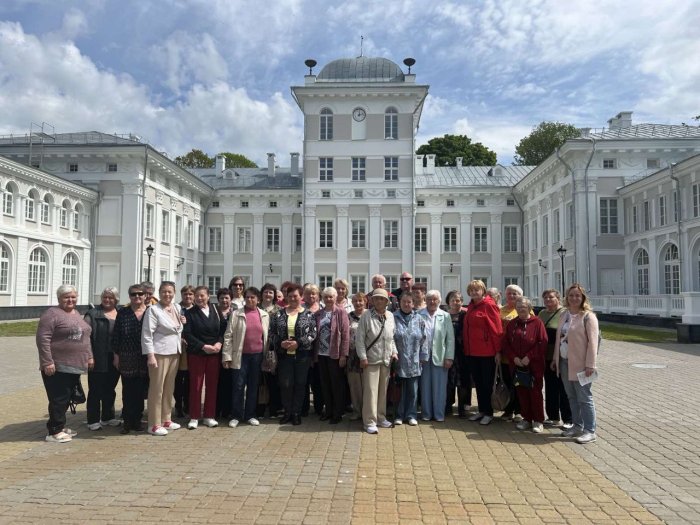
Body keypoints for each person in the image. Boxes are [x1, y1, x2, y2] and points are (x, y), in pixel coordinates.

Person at [36, 285, 94, 443]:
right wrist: (47, 361)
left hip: (74, 365)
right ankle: (54, 431)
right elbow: (43, 339)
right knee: (59, 398)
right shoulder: (52, 314)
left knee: (68, 397)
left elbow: (85, 337)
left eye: (73, 297)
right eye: (66, 297)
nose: (70, 300)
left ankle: (60, 426)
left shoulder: (75, 313)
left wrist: (89, 356)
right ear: (59, 298)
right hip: (57, 365)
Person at [553, 284, 599, 444]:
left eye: (577, 296)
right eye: (571, 295)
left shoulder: (588, 316)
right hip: (565, 362)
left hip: (581, 364)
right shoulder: (564, 314)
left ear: (583, 298)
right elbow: (559, 339)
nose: (574, 298)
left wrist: (590, 364)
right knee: (571, 396)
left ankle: (590, 430)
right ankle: (577, 426)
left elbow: (593, 343)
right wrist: (555, 359)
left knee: (584, 397)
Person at [222, 286, 270, 427]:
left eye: (252, 297)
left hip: (258, 356)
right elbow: (228, 336)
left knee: (253, 386)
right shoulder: (236, 314)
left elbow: (266, 336)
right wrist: (226, 356)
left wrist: (266, 357)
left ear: (258, 299)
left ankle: (250, 415)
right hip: (240, 355)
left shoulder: (264, 315)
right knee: (238, 385)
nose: (249, 299)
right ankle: (236, 415)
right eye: (247, 297)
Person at [270, 284, 317, 425]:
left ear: (301, 297)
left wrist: (298, 343)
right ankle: (287, 412)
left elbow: (313, 333)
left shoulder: (308, 314)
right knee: (285, 384)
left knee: (300, 384)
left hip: (302, 356)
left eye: (295, 296)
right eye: (289, 296)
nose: (292, 298)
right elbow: (271, 333)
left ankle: (296, 413)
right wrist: (280, 342)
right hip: (284, 356)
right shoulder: (278, 314)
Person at [141, 281, 184, 436]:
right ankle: (154, 423)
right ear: (159, 293)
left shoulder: (177, 308)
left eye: (170, 292)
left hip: (174, 352)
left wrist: (182, 323)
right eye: (164, 292)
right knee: (157, 389)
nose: (167, 294)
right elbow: (147, 334)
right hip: (159, 353)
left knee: (168, 388)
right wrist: (150, 355)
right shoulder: (153, 310)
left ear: (174, 293)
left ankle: (166, 418)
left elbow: (177, 328)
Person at [502, 297, 547, 433]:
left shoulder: (537, 323)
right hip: (517, 365)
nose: (521, 308)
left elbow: (542, 342)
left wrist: (530, 356)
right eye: (519, 306)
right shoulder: (512, 324)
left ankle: (538, 420)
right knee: (521, 391)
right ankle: (526, 418)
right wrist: (514, 357)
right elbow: (506, 343)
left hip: (534, 365)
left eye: (524, 306)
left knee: (535, 392)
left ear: (529, 308)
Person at [355, 288, 398, 434]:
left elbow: (391, 337)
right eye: (376, 298)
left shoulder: (390, 316)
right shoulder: (366, 316)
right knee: (371, 392)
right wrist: (363, 357)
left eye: (382, 299)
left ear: (387, 301)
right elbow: (359, 339)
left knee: (382, 392)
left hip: (386, 359)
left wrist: (395, 352)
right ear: (372, 301)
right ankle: (369, 421)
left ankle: (380, 417)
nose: (379, 301)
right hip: (371, 359)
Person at [183, 286, 224, 430]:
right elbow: (187, 334)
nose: (200, 298)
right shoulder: (190, 313)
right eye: (197, 296)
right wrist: (203, 346)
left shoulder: (216, 309)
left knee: (212, 385)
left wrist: (219, 342)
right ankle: (194, 416)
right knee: (196, 385)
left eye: (202, 296)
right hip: (197, 353)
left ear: (208, 296)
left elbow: (223, 329)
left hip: (214, 353)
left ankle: (209, 416)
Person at [462, 279, 502, 425]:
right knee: (478, 383)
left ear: (483, 291)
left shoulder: (489, 305)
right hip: (473, 352)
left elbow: (496, 329)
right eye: (471, 290)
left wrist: (498, 351)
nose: (474, 292)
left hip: (487, 352)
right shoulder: (472, 306)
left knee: (487, 383)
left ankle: (489, 412)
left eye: (477, 290)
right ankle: (482, 410)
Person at [112, 284, 149, 434]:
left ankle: (138, 420)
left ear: (145, 296)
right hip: (127, 356)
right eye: (134, 294)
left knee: (140, 391)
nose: (137, 297)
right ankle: (127, 421)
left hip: (145, 356)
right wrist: (116, 356)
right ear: (130, 296)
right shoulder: (123, 312)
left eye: (140, 294)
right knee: (128, 390)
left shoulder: (150, 312)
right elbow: (116, 335)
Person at [84, 287, 121, 431]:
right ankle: (93, 420)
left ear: (116, 299)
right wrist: (89, 356)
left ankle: (108, 417)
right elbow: (85, 337)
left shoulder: (120, 313)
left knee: (110, 388)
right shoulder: (92, 314)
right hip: (97, 356)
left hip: (115, 357)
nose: (107, 300)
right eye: (105, 297)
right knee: (95, 389)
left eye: (110, 297)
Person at [314, 287, 350, 424]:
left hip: (335, 355)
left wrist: (343, 355)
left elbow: (345, 335)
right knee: (325, 384)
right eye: (326, 297)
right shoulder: (319, 313)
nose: (328, 299)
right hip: (321, 354)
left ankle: (337, 412)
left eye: (331, 297)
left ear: (335, 298)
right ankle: (328, 410)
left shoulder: (341, 313)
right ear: (322, 298)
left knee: (337, 385)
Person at [418, 290, 455, 422]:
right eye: (429, 299)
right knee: (425, 386)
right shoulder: (419, 314)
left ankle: (439, 414)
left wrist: (449, 357)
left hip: (440, 355)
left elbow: (450, 339)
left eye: (435, 299)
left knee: (440, 387)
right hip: (423, 356)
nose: (432, 302)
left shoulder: (445, 316)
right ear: (425, 301)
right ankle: (426, 414)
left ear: (439, 301)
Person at [538, 289, 572, 428]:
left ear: (558, 298)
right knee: (550, 387)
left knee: (563, 387)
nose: (547, 300)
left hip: (560, 356)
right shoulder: (542, 313)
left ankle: (569, 419)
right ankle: (553, 416)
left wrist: (556, 357)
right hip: (545, 355)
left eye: (551, 297)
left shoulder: (564, 313)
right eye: (545, 298)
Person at [392, 292, 426, 426]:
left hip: (414, 360)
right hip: (398, 359)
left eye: (409, 302)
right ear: (400, 303)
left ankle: (411, 415)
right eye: (404, 302)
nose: (406, 304)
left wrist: (423, 356)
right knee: (400, 390)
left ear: (413, 304)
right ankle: (399, 415)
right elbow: (390, 338)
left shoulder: (419, 318)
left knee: (413, 390)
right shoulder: (393, 317)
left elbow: (424, 339)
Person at [499, 284, 528, 421]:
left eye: (514, 293)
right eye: (509, 293)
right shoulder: (500, 310)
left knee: (519, 383)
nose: (511, 296)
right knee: (506, 382)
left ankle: (519, 411)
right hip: (505, 354)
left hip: (520, 355)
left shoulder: (525, 310)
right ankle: (507, 410)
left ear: (520, 296)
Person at [445, 290, 471, 418]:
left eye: (459, 300)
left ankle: (463, 408)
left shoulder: (467, 314)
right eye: (453, 300)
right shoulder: (444, 315)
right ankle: (448, 406)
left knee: (463, 381)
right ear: (448, 302)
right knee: (449, 380)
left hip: (463, 353)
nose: (456, 302)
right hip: (449, 352)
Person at [259, 282, 282, 418]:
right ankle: (260, 409)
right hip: (258, 347)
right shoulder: (256, 308)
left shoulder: (279, 310)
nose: (268, 294)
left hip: (273, 349)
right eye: (266, 292)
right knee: (260, 381)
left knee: (273, 379)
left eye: (270, 292)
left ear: (274, 295)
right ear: (261, 294)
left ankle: (275, 408)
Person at [174, 285, 195, 418]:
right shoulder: (177, 309)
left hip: (193, 349)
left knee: (189, 379)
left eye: (190, 294)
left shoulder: (196, 310)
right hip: (178, 349)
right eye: (185, 294)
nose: (188, 296)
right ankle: (178, 405)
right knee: (178, 379)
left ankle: (188, 404)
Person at [303, 283, 323, 416]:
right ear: (304, 295)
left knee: (318, 381)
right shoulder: (300, 308)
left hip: (320, 349)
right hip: (304, 349)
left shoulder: (322, 308)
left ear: (317, 295)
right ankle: (304, 408)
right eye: (308, 293)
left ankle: (319, 407)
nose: (311, 296)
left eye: (313, 293)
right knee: (304, 381)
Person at [215, 287, 235, 420]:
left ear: (231, 299)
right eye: (222, 298)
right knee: (217, 381)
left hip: (230, 350)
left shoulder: (234, 313)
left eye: (227, 297)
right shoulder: (213, 311)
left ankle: (227, 410)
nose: (224, 300)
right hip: (216, 350)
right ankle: (216, 409)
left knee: (229, 381)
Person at [346, 292, 366, 421]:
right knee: (355, 385)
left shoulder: (370, 315)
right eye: (355, 301)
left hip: (367, 355)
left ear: (365, 301)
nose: (358, 303)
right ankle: (357, 411)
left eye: (360, 300)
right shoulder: (348, 316)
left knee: (367, 385)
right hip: (352, 355)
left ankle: (367, 411)